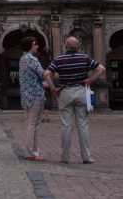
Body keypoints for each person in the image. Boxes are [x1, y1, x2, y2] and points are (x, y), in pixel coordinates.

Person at [45, 36, 105, 164]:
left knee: (66, 126)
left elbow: (46, 74)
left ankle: (65, 157)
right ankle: (86, 157)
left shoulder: (59, 59)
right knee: (82, 125)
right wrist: (91, 79)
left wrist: (53, 89)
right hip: (81, 91)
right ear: (78, 46)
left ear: (65, 46)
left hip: (65, 92)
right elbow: (101, 69)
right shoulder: (84, 57)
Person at [18, 36, 47, 160]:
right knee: (34, 125)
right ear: (30, 45)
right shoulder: (32, 59)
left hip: (26, 96)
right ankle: (32, 153)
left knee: (29, 124)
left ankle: (32, 151)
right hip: (36, 95)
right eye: (35, 44)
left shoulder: (22, 59)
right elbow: (43, 74)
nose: (37, 46)